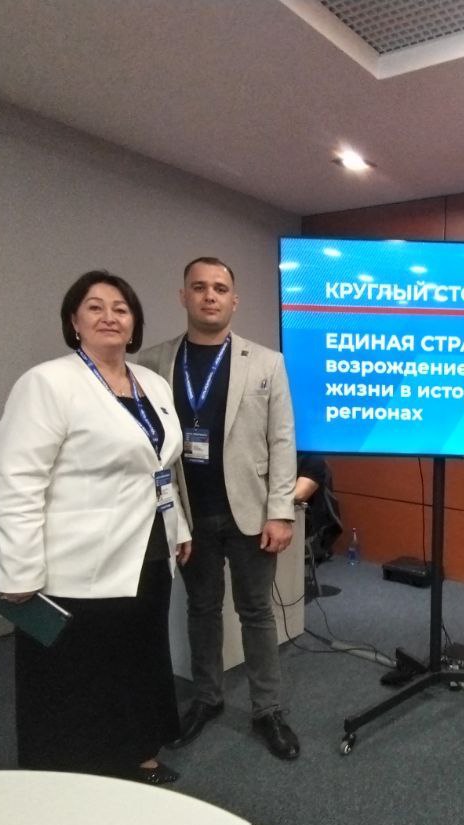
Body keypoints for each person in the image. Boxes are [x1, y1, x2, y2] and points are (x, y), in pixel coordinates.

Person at [0, 270, 191, 785]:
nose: (110, 317)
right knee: (78, 673)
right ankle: (72, 777)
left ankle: (139, 752)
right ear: (73, 321)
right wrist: (18, 568)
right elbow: (18, 481)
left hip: (148, 550)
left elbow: (161, 466)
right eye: (95, 307)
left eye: (121, 309)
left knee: (140, 658)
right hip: (76, 563)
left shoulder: (151, 384)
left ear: (135, 324)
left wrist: (180, 529)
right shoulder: (47, 383)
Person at [136, 257, 300, 760]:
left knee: (256, 612)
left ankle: (267, 709)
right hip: (188, 514)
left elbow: (282, 439)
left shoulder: (266, 362)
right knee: (202, 609)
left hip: (250, 511)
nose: (210, 296)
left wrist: (281, 511)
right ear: (183, 296)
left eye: (220, 288)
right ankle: (207, 698)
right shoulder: (153, 362)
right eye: (199, 287)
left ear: (234, 300)